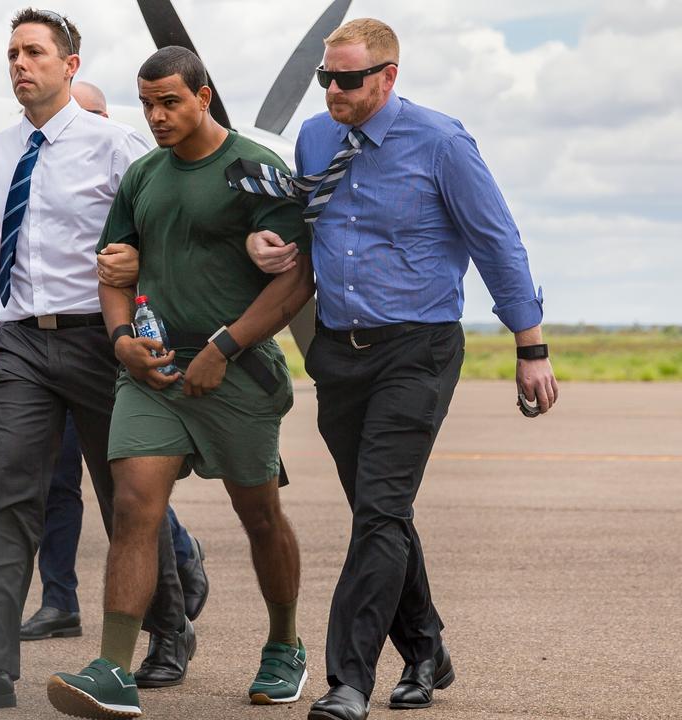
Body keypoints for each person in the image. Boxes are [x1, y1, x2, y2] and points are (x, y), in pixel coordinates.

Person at [237, 19, 559, 720]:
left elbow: (497, 242)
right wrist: (268, 247)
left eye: (348, 79)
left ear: (388, 76)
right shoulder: (317, 138)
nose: (332, 91)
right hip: (337, 352)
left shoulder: (442, 143)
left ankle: (346, 680)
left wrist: (529, 346)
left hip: (418, 349)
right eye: (326, 77)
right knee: (382, 514)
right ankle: (426, 650)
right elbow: (303, 226)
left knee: (379, 512)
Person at [0, 10, 190, 709]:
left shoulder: (117, 147)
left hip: (102, 339)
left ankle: (168, 631)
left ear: (71, 65)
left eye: (34, 52)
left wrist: (145, 299)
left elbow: (163, 237)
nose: (19, 64)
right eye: (11, 53)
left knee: (125, 497)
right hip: (20, 343)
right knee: (7, 499)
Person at [46, 46, 314, 719]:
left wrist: (227, 345)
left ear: (204, 96)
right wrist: (120, 343)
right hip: (154, 373)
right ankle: (113, 667)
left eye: (171, 101)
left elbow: (295, 278)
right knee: (135, 502)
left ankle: (284, 644)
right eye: (148, 104)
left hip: (238, 373)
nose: (158, 116)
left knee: (259, 515)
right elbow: (114, 274)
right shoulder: (142, 177)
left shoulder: (255, 169)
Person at [23, 81, 210, 643]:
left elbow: (174, 241)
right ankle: (58, 600)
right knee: (51, 482)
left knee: (127, 490)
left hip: (115, 341)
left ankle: (170, 607)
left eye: (95, 113)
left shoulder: (129, 155)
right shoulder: (39, 161)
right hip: (47, 344)